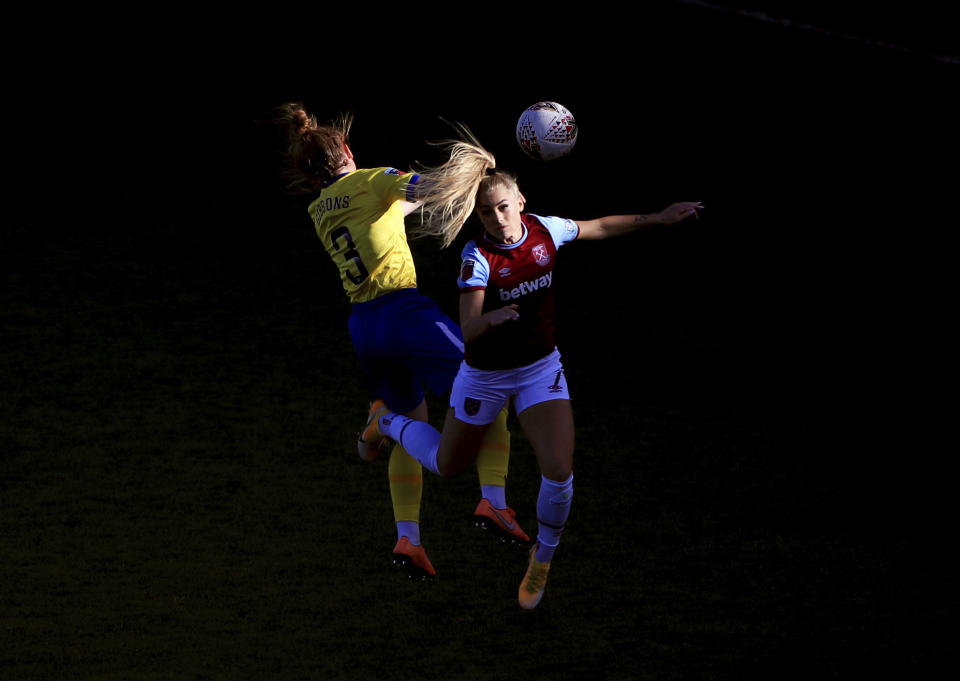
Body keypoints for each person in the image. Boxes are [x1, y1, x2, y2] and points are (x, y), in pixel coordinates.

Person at [360, 136, 702, 608]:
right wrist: (491, 320)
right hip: (484, 377)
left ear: (521, 202)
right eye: (486, 213)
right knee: (446, 465)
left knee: (559, 471)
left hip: (540, 369)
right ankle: (387, 422)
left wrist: (657, 218)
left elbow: (599, 226)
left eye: (503, 207)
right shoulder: (477, 258)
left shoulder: (545, 230)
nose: (497, 219)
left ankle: (542, 558)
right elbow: (468, 328)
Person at [272, 103, 531, 581]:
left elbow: (392, 209)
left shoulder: (320, 208)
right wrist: (477, 164)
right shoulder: (372, 180)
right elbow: (426, 188)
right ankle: (493, 501)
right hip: (403, 314)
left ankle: (408, 536)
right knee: (491, 387)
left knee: (415, 426)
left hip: (364, 327)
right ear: (348, 150)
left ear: (311, 174)